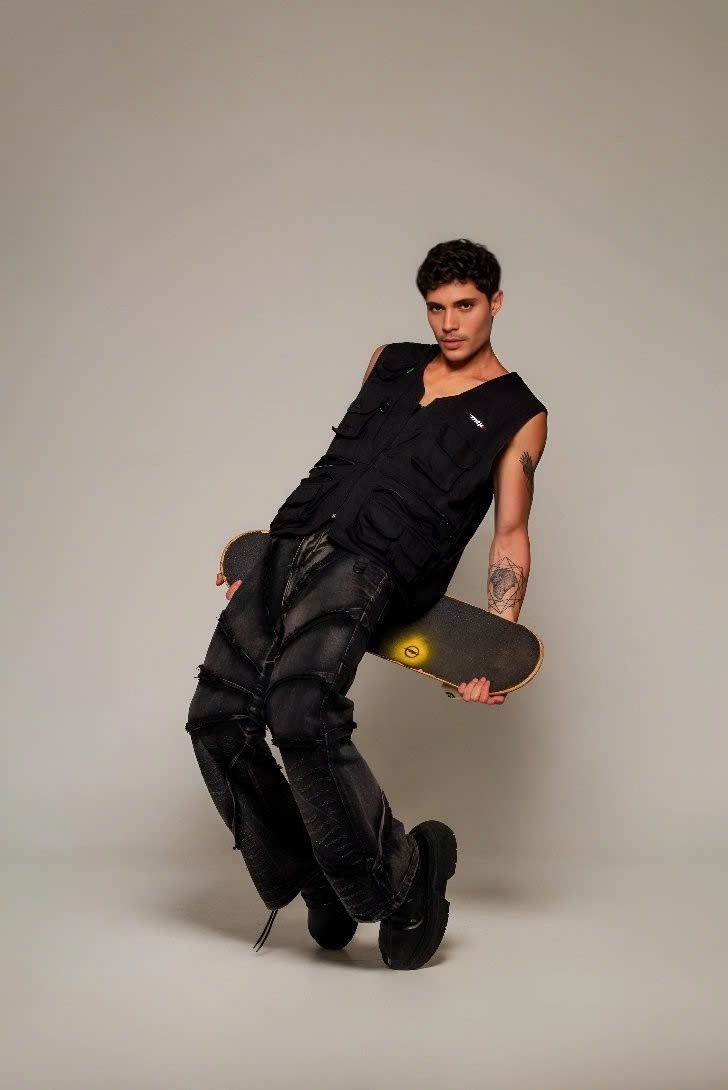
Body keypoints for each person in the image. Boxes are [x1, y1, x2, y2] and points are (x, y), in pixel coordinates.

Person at [185, 238, 548, 970]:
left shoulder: (519, 412)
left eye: (465, 306)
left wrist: (494, 643)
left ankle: (403, 883)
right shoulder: (390, 361)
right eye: (437, 308)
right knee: (217, 719)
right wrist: (265, 564)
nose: (450, 323)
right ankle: (316, 877)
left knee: (301, 714)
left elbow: (510, 531)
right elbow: (344, 467)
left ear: (496, 304)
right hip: (290, 544)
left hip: (371, 568)